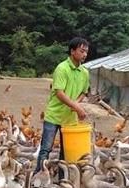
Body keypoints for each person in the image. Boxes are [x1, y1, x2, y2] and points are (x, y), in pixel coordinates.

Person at [34, 37, 89, 177]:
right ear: (72, 51)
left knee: (66, 152)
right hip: (54, 115)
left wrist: (76, 104)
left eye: (86, 52)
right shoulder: (62, 68)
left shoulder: (85, 72)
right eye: (82, 51)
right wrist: (77, 107)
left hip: (69, 119)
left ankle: (61, 180)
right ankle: (38, 178)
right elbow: (59, 93)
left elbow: (84, 91)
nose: (84, 54)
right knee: (46, 149)